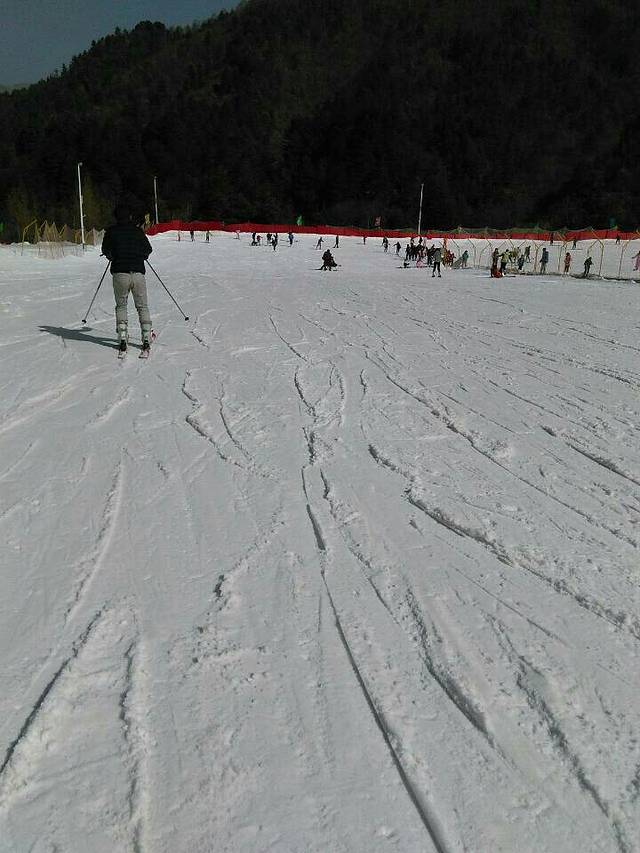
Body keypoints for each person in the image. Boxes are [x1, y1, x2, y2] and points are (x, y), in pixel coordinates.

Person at [101, 203, 153, 355]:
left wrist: (112, 255)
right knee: (142, 306)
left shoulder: (111, 231)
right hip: (137, 273)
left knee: (121, 306)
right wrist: (141, 255)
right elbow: (148, 249)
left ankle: (123, 338)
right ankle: (146, 338)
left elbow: (105, 250)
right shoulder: (137, 231)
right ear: (129, 216)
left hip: (120, 273)